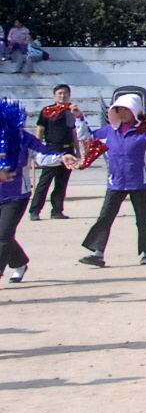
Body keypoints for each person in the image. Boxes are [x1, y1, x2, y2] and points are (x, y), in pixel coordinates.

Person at [77, 92, 146, 266]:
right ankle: (98, 253)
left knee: (143, 218)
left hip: (141, 181)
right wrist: (79, 118)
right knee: (105, 216)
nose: (122, 113)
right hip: (116, 181)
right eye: (119, 110)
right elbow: (86, 138)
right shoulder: (109, 131)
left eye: (126, 110)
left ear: (135, 111)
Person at [1, 99, 68, 282]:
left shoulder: (24, 139)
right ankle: (20, 263)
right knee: (3, 235)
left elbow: (42, 156)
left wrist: (62, 158)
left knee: (3, 235)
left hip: (15, 196)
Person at [31, 84, 82, 220]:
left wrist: (77, 150)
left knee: (62, 183)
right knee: (45, 181)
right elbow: (40, 129)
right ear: (54, 95)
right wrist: (37, 148)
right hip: (52, 149)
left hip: (68, 148)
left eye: (65, 93)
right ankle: (35, 210)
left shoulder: (71, 111)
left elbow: (74, 131)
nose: (62, 96)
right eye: (59, 93)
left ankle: (57, 210)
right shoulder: (47, 111)